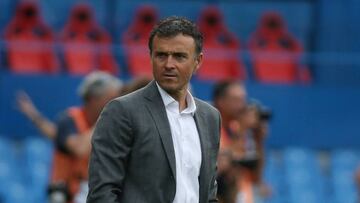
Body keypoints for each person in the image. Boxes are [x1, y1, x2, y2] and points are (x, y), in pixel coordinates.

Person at [87, 16, 221, 203]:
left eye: (179, 56)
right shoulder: (122, 111)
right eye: (161, 55)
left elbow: (208, 193)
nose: (168, 64)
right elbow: (102, 193)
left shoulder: (210, 117)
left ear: (198, 61)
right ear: (151, 57)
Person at [48, 71, 122, 203]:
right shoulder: (69, 120)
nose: (116, 104)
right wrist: (106, 117)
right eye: (111, 99)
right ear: (94, 99)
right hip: (68, 193)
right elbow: (79, 149)